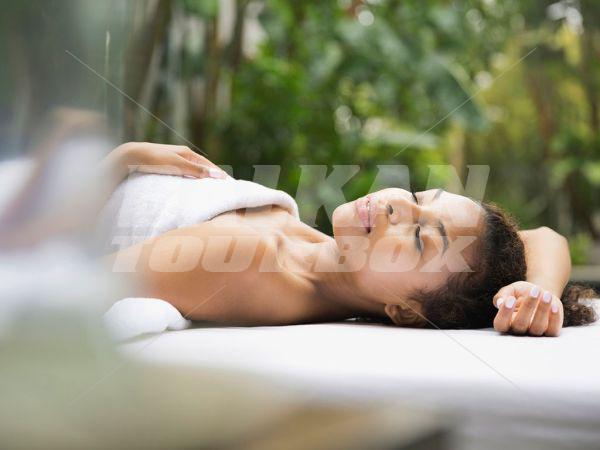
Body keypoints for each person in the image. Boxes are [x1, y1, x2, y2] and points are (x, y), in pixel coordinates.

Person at [102, 142, 597, 336]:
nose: (397, 205)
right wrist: (538, 294)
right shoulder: (310, 252)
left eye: (419, 236)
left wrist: (119, 161)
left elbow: (70, 279)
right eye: (419, 196)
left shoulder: (249, 260)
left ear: (406, 311)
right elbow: (541, 237)